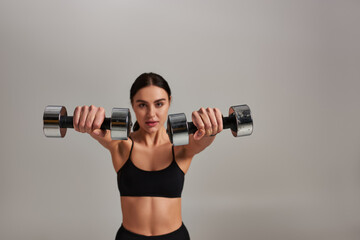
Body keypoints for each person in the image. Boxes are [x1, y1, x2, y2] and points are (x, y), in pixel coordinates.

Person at [73, 72, 223, 240]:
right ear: (133, 105)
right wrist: (87, 118)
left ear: (169, 102)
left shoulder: (181, 147)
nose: (151, 114)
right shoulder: (121, 145)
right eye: (142, 105)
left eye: (159, 104)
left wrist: (211, 128)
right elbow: (96, 129)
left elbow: (203, 140)